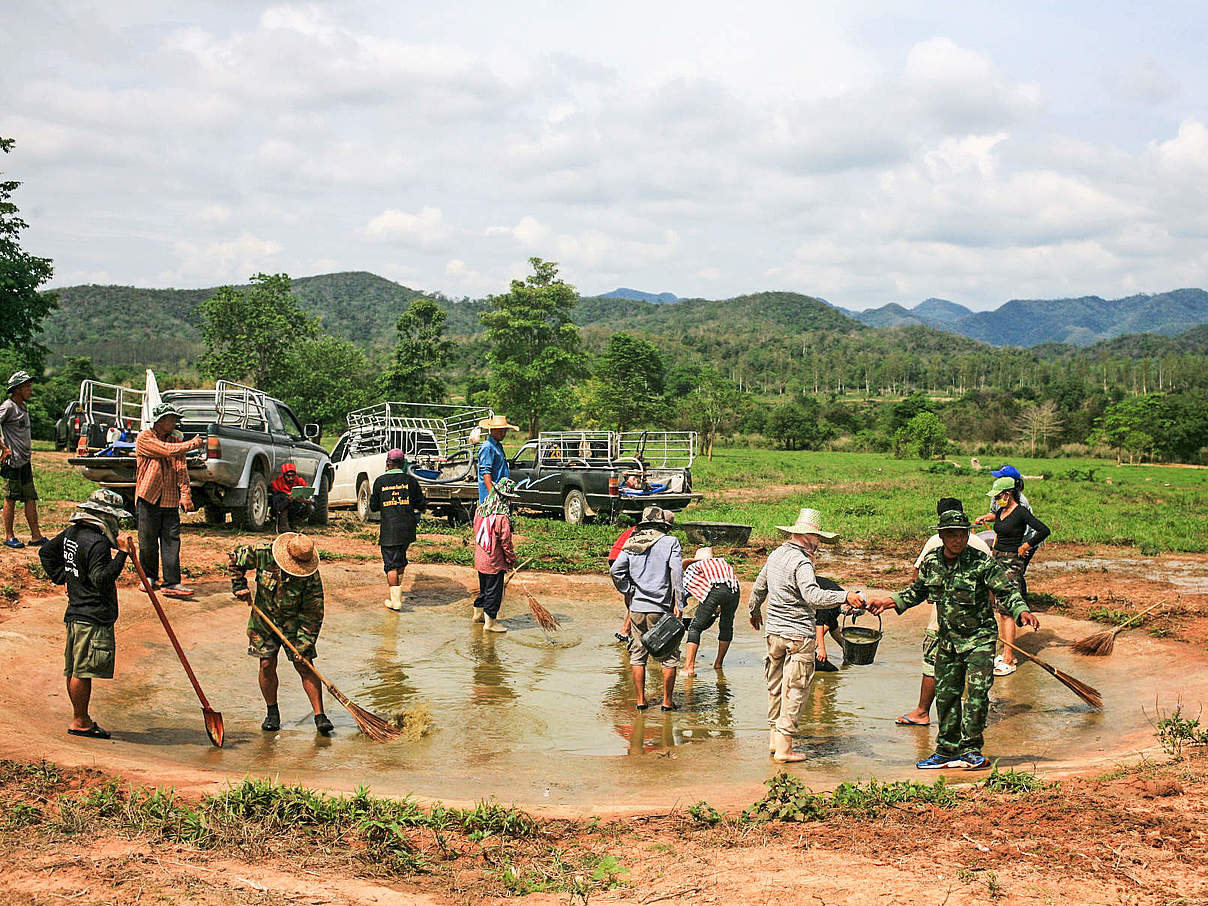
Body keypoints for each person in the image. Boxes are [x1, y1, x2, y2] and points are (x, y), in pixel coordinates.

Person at [868, 509, 1040, 770]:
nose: (958, 540)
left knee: (977, 694)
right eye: (951, 535)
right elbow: (916, 592)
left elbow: (1006, 591)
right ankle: (947, 750)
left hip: (979, 639)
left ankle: (971, 749)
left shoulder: (981, 562)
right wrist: (886, 602)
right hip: (947, 640)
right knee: (947, 696)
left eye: (962, 535)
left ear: (968, 535)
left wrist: (1021, 611)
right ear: (942, 536)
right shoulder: (932, 562)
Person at [749, 508, 863, 763]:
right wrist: (845, 596)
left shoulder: (776, 555)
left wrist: (753, 611)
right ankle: (785, 747)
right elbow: (813, 596)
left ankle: (773, 738)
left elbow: (758, 587)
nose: (819, 543)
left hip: (774, 633)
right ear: (808, 537)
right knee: (797, 689)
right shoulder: (802, 562)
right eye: (818, 539)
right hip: (798, 635)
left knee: (775, 686)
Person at [39, 489, 134, 739]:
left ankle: (81, 717)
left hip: (75, 612)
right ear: (105, 516)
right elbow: (101, 579)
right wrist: (123, 553)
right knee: (82, 671)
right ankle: (80, 721)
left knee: (74, 668)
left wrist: (66, 579)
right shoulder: (98, 543)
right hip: (91, 616)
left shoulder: (73, 533)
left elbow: (46, 553)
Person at [896, 497, 993, 727]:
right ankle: (968, 722)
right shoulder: (981, 544)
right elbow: (993, 589)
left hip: (943, 624)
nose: (956, 539)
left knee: (933, 665)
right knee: (975, 675)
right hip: (978, 625)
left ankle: (922, 712)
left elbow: (917, 580)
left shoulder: (935, 543)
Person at [230, 532, 333, 735]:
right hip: (264, 619)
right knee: (266, 663)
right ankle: (272, 713)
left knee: (305, 665)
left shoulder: (310, 576)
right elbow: (235, 559)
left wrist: (304, 644)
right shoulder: (262, 553)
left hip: (294, 623)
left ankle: (320, 716)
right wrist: (239, 586)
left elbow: (314, 613)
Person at [610, 506, 683, 712]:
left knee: (637, 654)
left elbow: (616, 570)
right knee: (669, 657)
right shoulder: (670, 542)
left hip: (637, 608)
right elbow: (676, 573)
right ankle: (667, 702)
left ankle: (641, 701)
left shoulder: (632, 542)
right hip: (660, 608)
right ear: (663, 525)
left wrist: (629, 590)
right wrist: (680, 602)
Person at [976, 476, 1051, 676]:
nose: (996, 500)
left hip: (1011, 563)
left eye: (999, 496)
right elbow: (997, 521)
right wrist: (985, 518)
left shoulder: (1021, 513)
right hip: (997, 560)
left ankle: (1008, 658)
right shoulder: (1002, 511)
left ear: (1008, 494)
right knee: (1000, 609)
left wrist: (1025, 546)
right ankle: (1006, 651)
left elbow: (1044, 530)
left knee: (1007, 610)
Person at [134, 402, 204, 598]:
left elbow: (181, 469)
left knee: (171, 540)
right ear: (161, 420)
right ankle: (148, 576)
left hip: (170, 499)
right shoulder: (145, 438)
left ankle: (172, 582)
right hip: (149, 496)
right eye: (171, 419)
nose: (174, 422)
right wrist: (193, 444)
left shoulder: (175, 440)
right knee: (147, 540)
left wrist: (185, 494)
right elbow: (166, 450)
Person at [371, 448, 425, 612]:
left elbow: (373, 506)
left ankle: (395, 602)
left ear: (388, 463)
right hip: (407, 528)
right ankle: (397, 592)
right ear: (403, 464)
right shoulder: (410, 481)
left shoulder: (380, 482)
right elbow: (421, 504)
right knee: (400, 559)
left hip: (389, 529)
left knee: (391, 565)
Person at [1, 370, 47, 549]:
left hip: (24, 461)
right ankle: (9, 535)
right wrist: (4, 448)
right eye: (27, 386)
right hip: (11, 462)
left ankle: (36, 536)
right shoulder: (8, 406)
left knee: (30, 497)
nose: (30, 389)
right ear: (18, 389)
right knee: (10, 497)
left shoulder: (23, 407)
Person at [681, 547, 740, 674]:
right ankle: (718, 664)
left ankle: (688, 668)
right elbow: (727, 585)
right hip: (734, 590)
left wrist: (678, 608)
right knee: (726, 626)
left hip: (716, 591)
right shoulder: (722, 563)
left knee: (695, 627)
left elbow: (684, 591)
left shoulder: (695, 566)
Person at [472, 476, 519, 632]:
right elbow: (505, 542)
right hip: (494, 560)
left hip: (480, 557)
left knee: (484, 588)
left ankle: (478, 614)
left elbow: (476, 531)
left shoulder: (480, 511)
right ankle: (490, 623)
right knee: (494, 591)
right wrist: (511, 559)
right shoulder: (502, 517)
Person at [476, 414, 518, 503]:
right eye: (500, 431)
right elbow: (486, 473)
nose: (503, 434)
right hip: (492, 495)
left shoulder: (498, 446)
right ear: (493, 430)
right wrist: (492, 495)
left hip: (501, 492)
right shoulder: (488, 447)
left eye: (504, 431)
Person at [608, 524, 636, 643]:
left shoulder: (633, 529)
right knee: (637, 595)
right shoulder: (650, 532)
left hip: (614, 557)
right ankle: (625, 630)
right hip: (623, 558)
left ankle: (630, 624)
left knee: (630, 594)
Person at [269, 461, 312, 532]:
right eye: (288, 476)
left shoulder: (299, 481)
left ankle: (295, 523)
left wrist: (306, 500)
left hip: (296, 506)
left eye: (293, 476)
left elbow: (306, 493)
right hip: (282, 506)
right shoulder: (278, 482)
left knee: (310, 507)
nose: (290, 478)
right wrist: (287, 497)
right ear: (284, 475)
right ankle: (283, 525)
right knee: (283, 501)